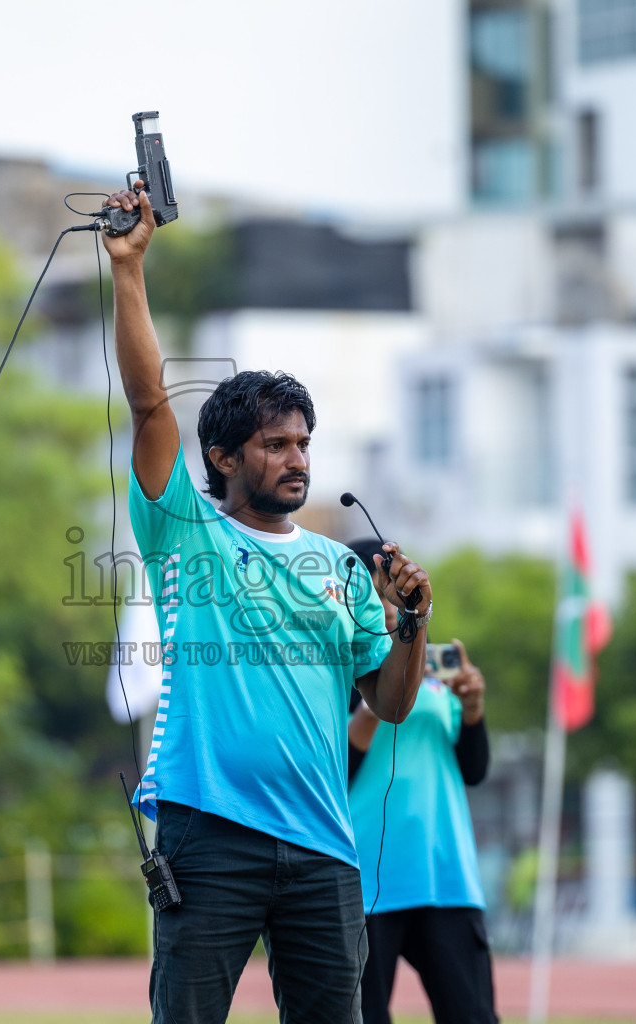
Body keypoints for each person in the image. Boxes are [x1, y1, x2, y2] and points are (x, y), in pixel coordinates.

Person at [102, 183, 435, 1024]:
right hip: (206, 835)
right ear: (223, 455)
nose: (297, 459)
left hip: (324, 847)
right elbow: (148, 405)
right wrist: (131, 269)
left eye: (304, 444)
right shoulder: (187, 535)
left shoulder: (338, 566)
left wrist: (411, 624)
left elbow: (389, 706)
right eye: (275, 443)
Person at [345, 539, 497, 1024]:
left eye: (391, 593)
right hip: (363, 881)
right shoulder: (335, 671)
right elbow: (337, 769)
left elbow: (474, 770)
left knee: (471, 1015)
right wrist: (383, 698)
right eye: (372, 595)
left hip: (443, 874)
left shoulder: (431, 678)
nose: (386, 605)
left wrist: (472, 711)